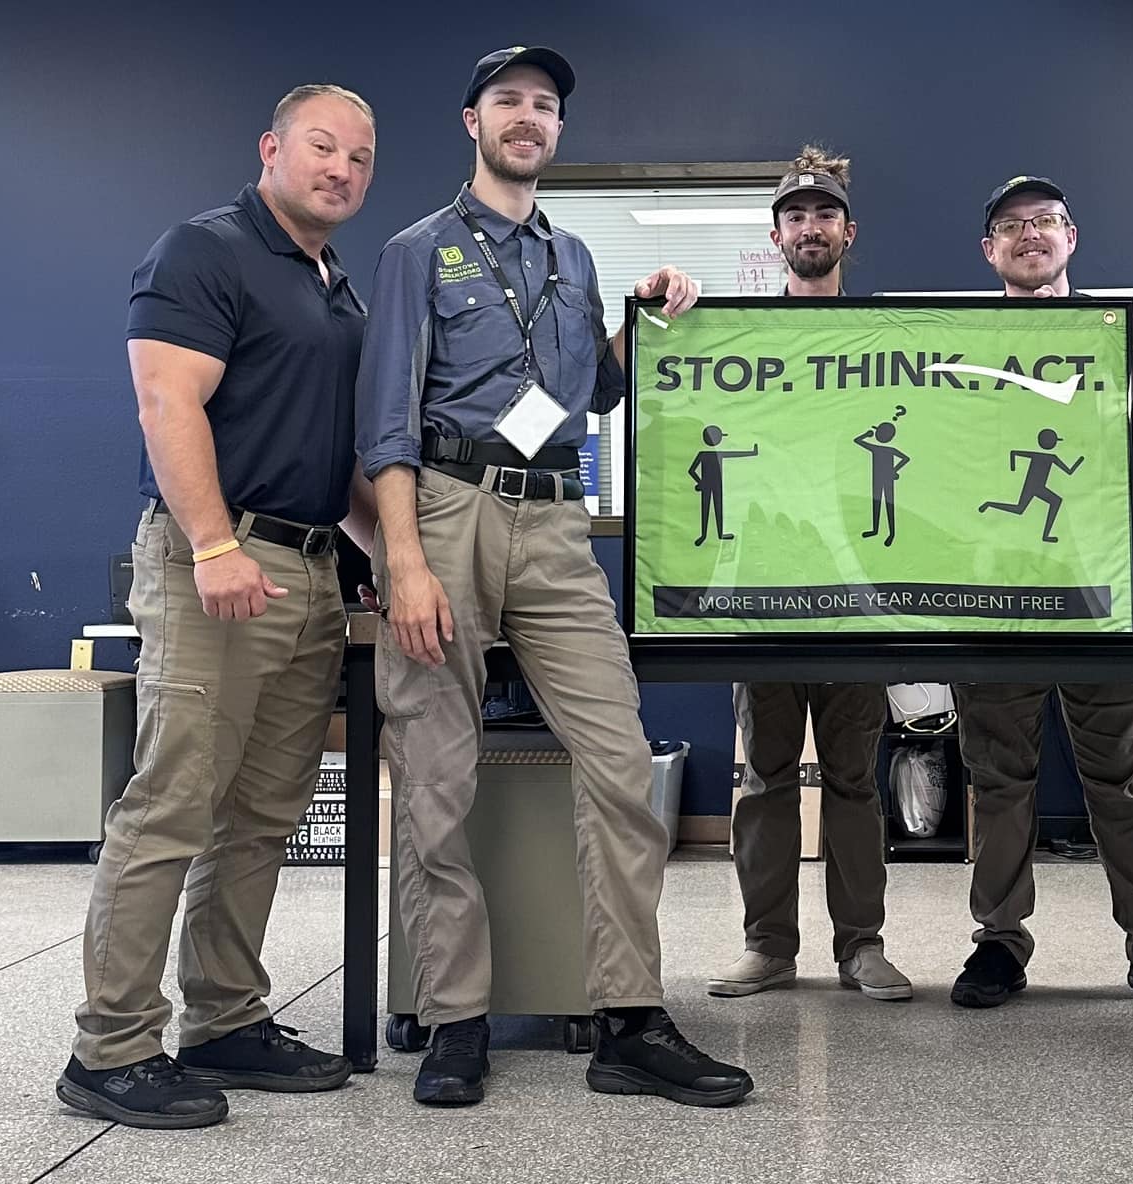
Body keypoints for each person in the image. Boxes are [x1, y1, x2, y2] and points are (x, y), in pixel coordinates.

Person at [355, 46, 750, 1109]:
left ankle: (628, 1017)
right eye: (508, 103)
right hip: (445, 509)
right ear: (470, 121)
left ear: (557, 130)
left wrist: (648, 311)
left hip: (555, 515)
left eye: (544, 106)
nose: (527, 118)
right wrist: (403, 562)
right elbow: (385, 422)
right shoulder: (416, 252)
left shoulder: (572, 258)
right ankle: (453, 1019)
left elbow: (589, 393)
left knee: (619, 760)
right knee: (437, 773)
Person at [61, 84, 381, 1129]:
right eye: (322, 147)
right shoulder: (204, 251)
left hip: (310, 566)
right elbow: (167, 400)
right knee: (172, 805)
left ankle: (226, 1018)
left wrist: (396, 563)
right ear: (271, 148)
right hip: (221, 558)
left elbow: (333, 457)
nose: (340, 169)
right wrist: (211, 542)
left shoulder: (336, 286)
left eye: (360, 159)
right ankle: (108, 1048)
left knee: (261, 817)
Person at [947, 175, 1133, 1014]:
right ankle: (998, 942)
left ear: (1071, 238)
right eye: (1011, 226)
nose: (1031, 234)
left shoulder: (1115, 335)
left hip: (1100, 591)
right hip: (990, 594)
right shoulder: (957, 343)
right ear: (990, 251)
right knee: (997, 777)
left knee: (1123, 781)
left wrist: (1076, 533)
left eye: (1046, 222)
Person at [712, 147, 909, 1003]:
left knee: (856, 778)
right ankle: (768, 945)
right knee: (766, 778)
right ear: (777, 235)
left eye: (823, 215)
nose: (810, 228)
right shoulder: (738, 336)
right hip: (765, 587)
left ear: (846, 231)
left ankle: (860, 945)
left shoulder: (881, 340)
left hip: (857, 588)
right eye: (795, 217)